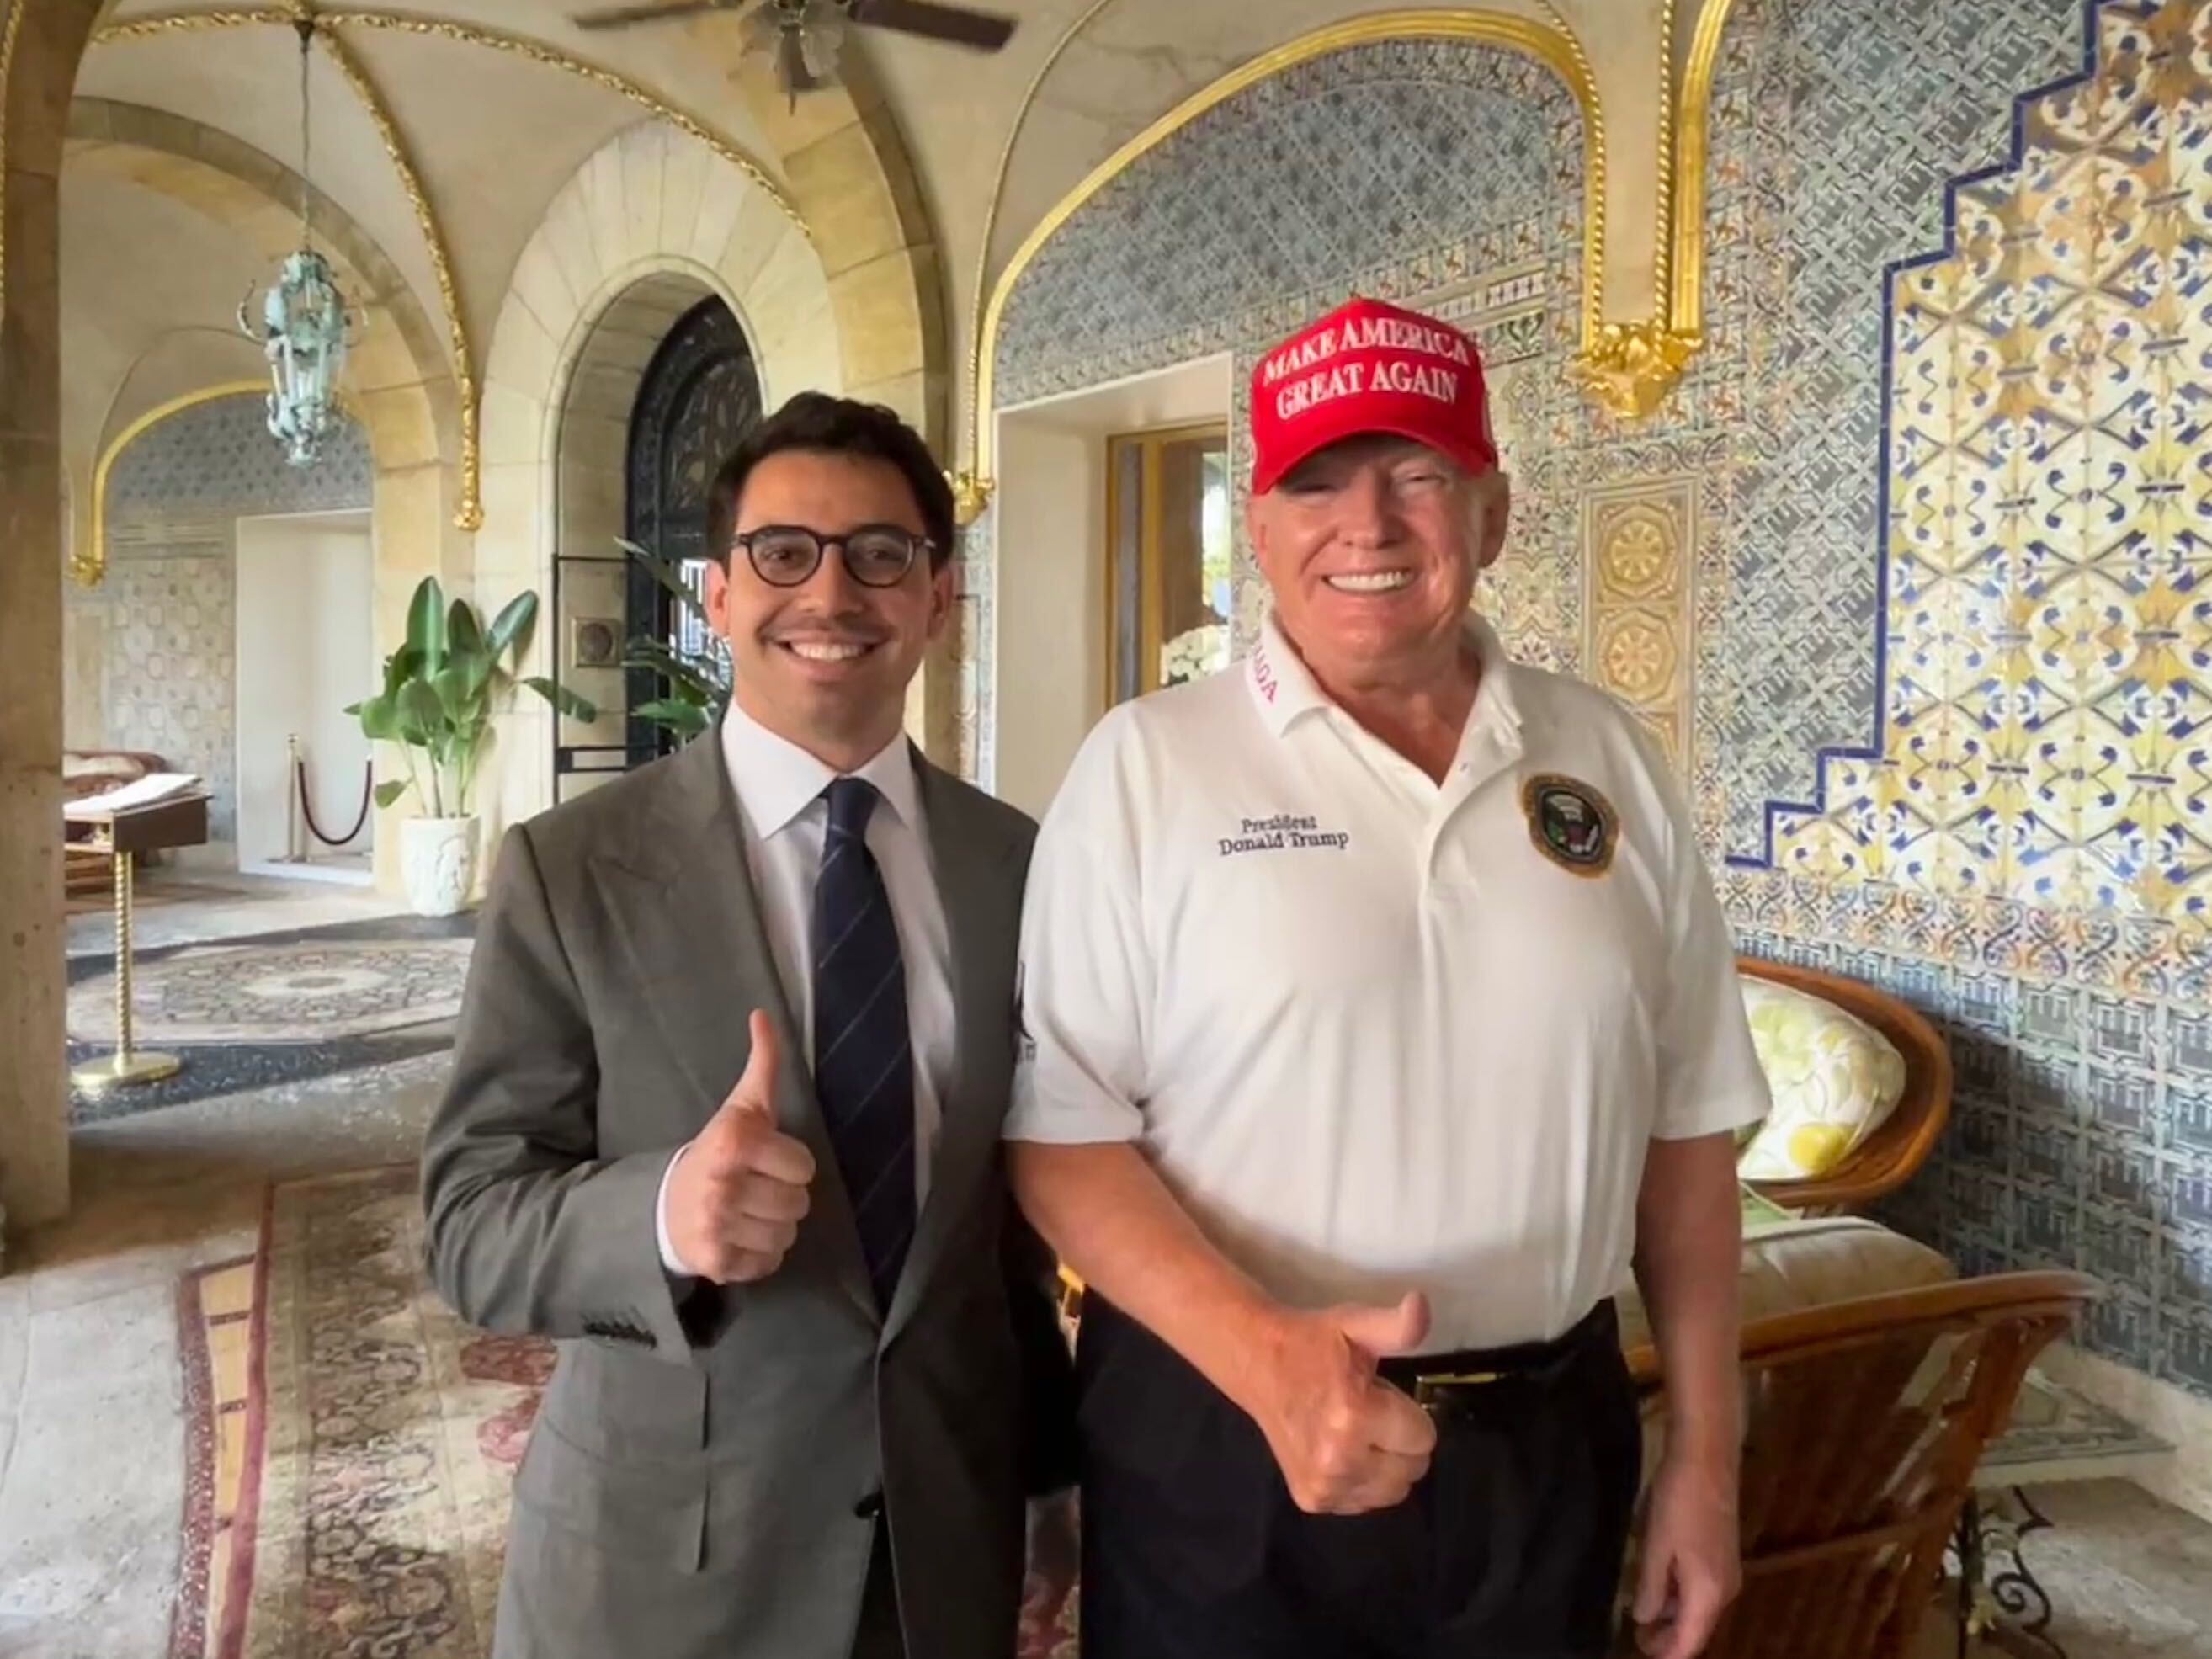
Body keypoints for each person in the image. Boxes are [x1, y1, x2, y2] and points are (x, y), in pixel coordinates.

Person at [1005, 295, 1769, 1659]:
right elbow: (1064, 1141)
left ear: (1493, 514)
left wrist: (1706, 1462)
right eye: (1317, 481)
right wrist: (1269, 1365)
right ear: (1260, 525)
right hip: (1220, 1435)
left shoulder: (1607, 760)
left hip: (1545, 1446)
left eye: (1418, 475)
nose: (1368, 525)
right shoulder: (1148, 763)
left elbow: (1688, 1130)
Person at [423, 392, 1078, 1659]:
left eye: (880, 554)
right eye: (784, 552)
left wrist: (1047, 1477)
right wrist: (666, 1213)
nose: (830, 593)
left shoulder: (1017, 866)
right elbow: (469, 1221)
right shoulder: (572, 871)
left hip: (937, 1558)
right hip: (666, 1569)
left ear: (939, 598)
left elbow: (1001, 1235)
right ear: (716, 595)